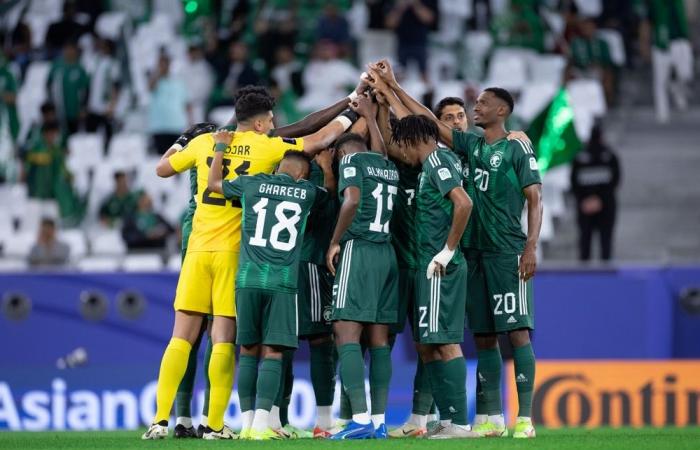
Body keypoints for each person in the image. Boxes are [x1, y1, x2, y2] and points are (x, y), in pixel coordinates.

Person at [142, 84, 362, 440]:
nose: (274, 124)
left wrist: (184, 140)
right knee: (224, 338)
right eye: (271, 119)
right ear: (260, 124)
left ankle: (160, 419)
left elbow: (162, 169)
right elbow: (320, 139)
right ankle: (214, 424)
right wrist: (352, 110)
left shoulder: (206, 142)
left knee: (180, 337)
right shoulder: (268, 147)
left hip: (197, 249)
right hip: (233, 255)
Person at [369, 59, 541, 438]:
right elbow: (426, 123)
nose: (472, 110)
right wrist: (393, 89)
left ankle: (525, 418)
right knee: (481, 334)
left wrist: (530, 246)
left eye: (479, 105)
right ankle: (489, 417)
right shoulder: (471, 147)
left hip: (504, 249)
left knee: (516, 331)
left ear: (501, 111)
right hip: (473, 251)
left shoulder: (514, 148)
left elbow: (535, 197)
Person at [207, 148, 333, 440]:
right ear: (301, 175)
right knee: (274, 352)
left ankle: (249, 425)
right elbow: (330, 193)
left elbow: (214, 185)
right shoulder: (305, 192)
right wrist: (326, 166)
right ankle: (264, 425)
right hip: (282, 281)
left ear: (278, 168)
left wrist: (219, 151)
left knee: (248, 350)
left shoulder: (252, 183)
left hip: (247, 279)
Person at [391, 114, 476, 439]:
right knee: (428, 344)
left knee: (445, 342)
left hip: (441, 265)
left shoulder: (438, 160)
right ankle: (445, 419)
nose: (403, 153)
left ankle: (459, 424)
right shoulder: (430, 166)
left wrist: (447, 250)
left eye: (403, 145)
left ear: (413, 139)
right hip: (429, 265)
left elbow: (463, 203)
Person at [326, 96, 399, 440]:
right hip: (387, 253)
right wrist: (370, 114)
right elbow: (382, 147)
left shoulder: (351, 161)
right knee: (379, 340)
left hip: (360, 248)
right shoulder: (386, 164)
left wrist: (335, 241)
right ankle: (380, 421)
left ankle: (358, 420)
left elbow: (352, 199)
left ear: (343, 155)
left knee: (344, 330)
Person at [570, 123, 621, 261]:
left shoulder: (605, 157)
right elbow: (615, 181)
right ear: (601, 138)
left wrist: (588, 200)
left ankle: (587, 275)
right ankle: (602, 275)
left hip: (591, 206)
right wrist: (598, 200)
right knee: (596, 242)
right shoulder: (609, 156)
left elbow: (573, 184)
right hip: (599, 206)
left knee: (594, 242)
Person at [637, 0, 693, 123]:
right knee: (660, 80)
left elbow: (686, 18)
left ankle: (675, 86)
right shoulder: (653, 3)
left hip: (680, 40)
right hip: (660, 44)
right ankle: (662, 112)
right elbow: (646, 22)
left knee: (686, 74)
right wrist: (644, 44)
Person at [148, 52, 192, 154]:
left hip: (176, 126)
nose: (163, 66)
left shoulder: (179, 82)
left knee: (175, 160)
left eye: (165, 64)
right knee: (160, 160)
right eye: (161, 64)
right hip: (159, 127)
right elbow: (150, 87)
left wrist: (190, 122)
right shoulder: (155, 81)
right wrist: (157, 72)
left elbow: (187, 103)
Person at [385, 0, 438, 83]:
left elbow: (428, 19)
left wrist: (416, 4)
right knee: (399, 77)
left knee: (424, 76)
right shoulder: (395, 2)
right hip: (402, 44)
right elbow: (390, 23)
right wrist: (400, 7)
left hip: (421, 44)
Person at [47, 41, 89, 134]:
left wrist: (83, 108)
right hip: (58, 108)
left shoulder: (79, 68)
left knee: (73, 135)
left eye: (71, 49)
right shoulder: (57, 66)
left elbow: (85, 89)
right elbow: (48, 85)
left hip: (74, 109)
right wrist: (51, 105)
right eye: (66, 49)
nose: (68, 52)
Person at [85, 38, 121, 143]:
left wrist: (112, 105)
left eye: (104, 46)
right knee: (90, 136)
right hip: (93, 105)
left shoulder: (113, 63)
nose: (102, 48)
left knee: (107, 136)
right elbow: (89, 84)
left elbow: (116, 85)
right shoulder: (95, 61)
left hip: (106, 106)